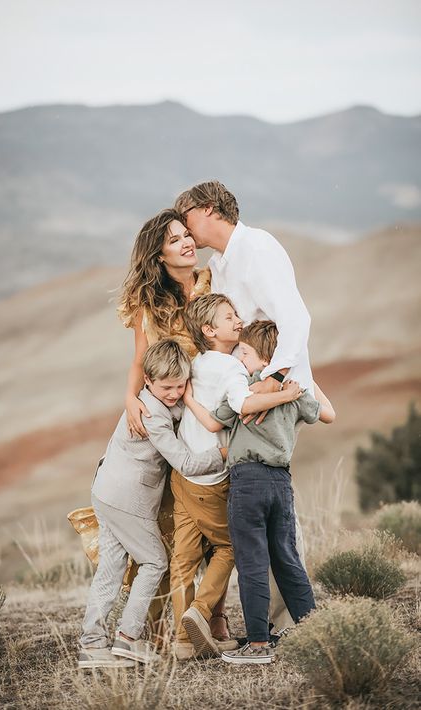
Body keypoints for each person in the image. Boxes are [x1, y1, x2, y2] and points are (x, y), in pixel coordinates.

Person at [175, 180, 314, 633]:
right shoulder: (219, 265)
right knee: (258, 509)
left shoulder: (257, 247)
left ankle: (285, 624)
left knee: (269, 507)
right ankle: (276, 619)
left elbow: (295, 319)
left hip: (272, 396)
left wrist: (274, 377)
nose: (185, 225)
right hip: (248, 399)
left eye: (187, 213)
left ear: (211, 208)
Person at [184, 319, 335, 664]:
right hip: (281, 483)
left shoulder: (246, 391)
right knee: (287, 560)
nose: (240, 358)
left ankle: (257, 646)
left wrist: (190, 399)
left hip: (247, 482)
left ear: (265, 359)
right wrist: (306, 379)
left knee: (252, 563)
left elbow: (212, 422)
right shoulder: (295, 393)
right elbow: (329, 415)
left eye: (246, 353)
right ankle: (319, 631)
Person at [117, 207, 231, 644]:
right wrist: (130, 398)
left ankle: (214, 619)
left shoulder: (213, 280)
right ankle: (167, 625)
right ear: (159, 255)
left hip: (215, 410)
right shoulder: (151, 303)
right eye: (175, 239)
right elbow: (140, 359)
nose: (187, 242)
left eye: (187, 234)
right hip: (175, 417)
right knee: (175, 523)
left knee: (219, 515)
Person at [78, 339, 226, 669]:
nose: (174, 393)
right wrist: (225, 454)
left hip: (105, 491)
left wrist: (186, 399)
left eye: (180, 386)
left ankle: (91, 643)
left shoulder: (156, 402)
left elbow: (175, 406)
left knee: (112, 568)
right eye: (167, 387)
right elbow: (185, 463)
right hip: (126, 498)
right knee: (155, 562)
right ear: (147, 381)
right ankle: (128, 639)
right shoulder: (151, 416)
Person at [172, 294, 303, 659]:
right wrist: (284, 393)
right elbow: (242, 406)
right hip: (214, 475)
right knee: (230, 547)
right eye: (229, 317)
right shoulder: (230, 369)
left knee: (183, 557)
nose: (238, 320)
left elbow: (210, 417)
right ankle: (200, 612)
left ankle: (182, 641)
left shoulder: (196, 364)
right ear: (209, 330)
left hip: (183, 474)